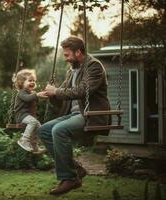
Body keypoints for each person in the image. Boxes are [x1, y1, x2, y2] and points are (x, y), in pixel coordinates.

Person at [38, 36, 111, 195]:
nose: (66, 58)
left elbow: (81, 91)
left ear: (78, 52)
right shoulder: (72, 71)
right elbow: (63, 95)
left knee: (58, 130)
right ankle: (76, 169)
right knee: (43, 130)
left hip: (91, 115)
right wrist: (51, 95)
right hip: (74, 114)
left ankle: (70, 178)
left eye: (67, 55)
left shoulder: (94, 67)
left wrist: (55, 91)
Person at [13, 69, 45, 154]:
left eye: (34, 80)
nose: (32, 82)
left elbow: (34, 102)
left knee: (39, 127)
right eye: (30, 80)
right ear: (21, 82)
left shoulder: (31, 93)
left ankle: (34, 146)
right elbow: (27, 99)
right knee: (33, 122)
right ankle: (24, 140)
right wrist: (36, 95)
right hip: (21, 115)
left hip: (28, 116)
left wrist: (42, 96)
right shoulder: (21, 92)